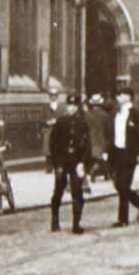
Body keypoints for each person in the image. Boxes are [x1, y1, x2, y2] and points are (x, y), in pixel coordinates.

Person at [106, 84, 139, 227]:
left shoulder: (136, 114)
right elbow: (111, 134)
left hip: (129, 154)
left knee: (123, 184)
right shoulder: (115, 113)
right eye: (118, 95)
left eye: (121, 94)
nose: (118, 97)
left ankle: (123, 219)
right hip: (116, 153)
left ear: (128, 97)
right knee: (119, 185)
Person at [46, 94, 92, 233]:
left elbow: (87, 145)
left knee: (77, 192)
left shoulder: (83, 123)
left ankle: (76, 223)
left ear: (78, 107)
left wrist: (83, 162)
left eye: (74, 105)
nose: (71, 108)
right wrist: (57, 164)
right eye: (69, 105)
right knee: (58, 190)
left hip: (76, 161)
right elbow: (53, 143)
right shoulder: (61, 122)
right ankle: (55, 219)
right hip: (62, 159)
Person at [85, 93, 112, 181]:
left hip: (90, 140)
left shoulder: (87, 115)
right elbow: (109, 130)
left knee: (97, 158)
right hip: (102, 140)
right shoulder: (105, 115)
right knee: (101, 159)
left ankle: (103, 173)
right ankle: (98, 173)